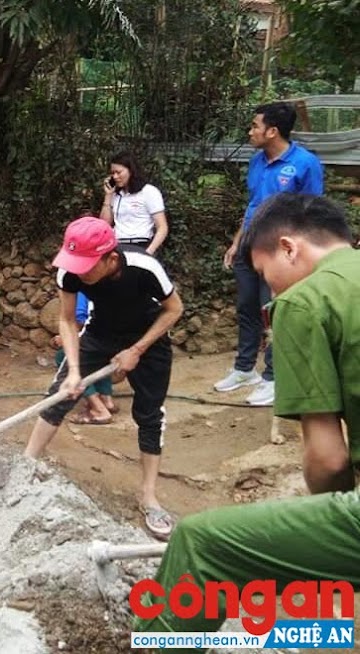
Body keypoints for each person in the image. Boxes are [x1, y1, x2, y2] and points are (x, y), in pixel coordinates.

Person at [134, 193, 360, 643]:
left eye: (263, 273)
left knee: (200, 543)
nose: (270, 288)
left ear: (289, 247)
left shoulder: (304, 301)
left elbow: (329, 459)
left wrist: (324, 535)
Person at [24, 216, 184, 539]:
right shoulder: (69, 270)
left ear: (110, 259)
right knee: (59, 394)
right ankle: (26, 465)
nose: (78, 271)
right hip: (100, 333)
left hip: (147, 337)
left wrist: (136, 349)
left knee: (149, 414)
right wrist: (73, 371)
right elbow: (67, 321)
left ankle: (148, 496)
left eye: (86, 265)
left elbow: (174, 309)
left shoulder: (144, 266)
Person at [215, 101, 324, 406]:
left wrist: (298, 254)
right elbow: (252, 205)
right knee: (247, 306)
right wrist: (238, 241)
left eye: (254, 126)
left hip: (279, 250)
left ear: (272, 131)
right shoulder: (257, 161)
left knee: (275, 311)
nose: (250, 131)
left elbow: (312, 212)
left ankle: (274, 377)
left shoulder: (305, 163)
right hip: (250, 245)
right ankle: (245, 368)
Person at [50, 291, 117, 424]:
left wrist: (65, 338)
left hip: (96, 339)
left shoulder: (80, 287)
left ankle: (99, 409)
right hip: (116, 339)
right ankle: (106, 398)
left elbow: (79, 320)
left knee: (63, 356)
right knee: (99, 356)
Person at [98, 151, 168, 254]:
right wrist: (108, 196)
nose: (115, 177)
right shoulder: (116, 194)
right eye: (113, 173)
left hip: (141, 245)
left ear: (130, 171)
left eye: (119, 172)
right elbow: (104, 225)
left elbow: (162, 227)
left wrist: (149, 251)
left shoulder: (148, 192)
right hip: (118, 245)